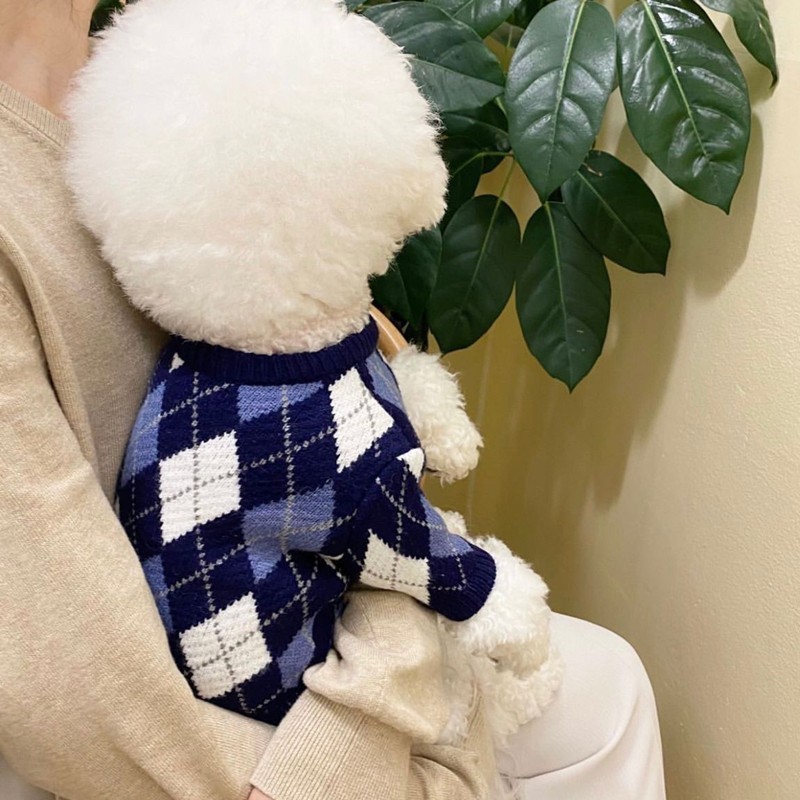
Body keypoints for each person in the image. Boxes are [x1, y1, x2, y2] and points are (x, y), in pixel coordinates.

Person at [0, 2, 668, 799]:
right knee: (599, 700)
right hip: (252, 731)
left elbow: (358, 362)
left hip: (342, 604)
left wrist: (396, 641)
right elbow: (77, 695)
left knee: (611, 689)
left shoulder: (181, 70)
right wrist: (366, 744)